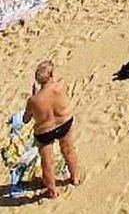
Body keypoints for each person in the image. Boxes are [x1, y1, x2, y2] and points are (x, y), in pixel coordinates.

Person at [24, 61, 80, 199]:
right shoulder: (61, 85)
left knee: (47, 162)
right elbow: (59, 91)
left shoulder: (33, 100)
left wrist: (35, 96)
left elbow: (26, 119)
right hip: (63, 123)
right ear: (52, 74)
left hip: (45, 131)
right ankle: (75, 177)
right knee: (68, 150)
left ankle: (52, 190)